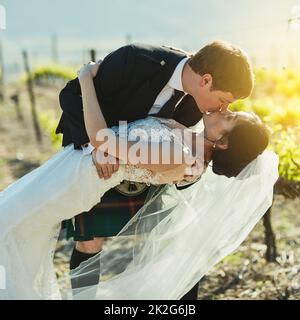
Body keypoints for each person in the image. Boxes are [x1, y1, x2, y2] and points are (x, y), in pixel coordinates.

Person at [0, 61, 276, 299]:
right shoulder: (189, 139)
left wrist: (85, 80)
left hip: (76, 180)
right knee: (17, 233)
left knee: (9, 223)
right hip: (74, 170)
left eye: (231, 117)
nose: (225, 110)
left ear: (225, 143)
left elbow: (101, 139)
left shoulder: (179, 156)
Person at [57, 41, 254, 299]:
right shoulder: (136, 59)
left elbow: (171, 134)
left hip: (145, 164)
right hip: (97, 160)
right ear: (206, 80)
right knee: (89, 241)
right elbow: (70, 95)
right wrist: (92, 146)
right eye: (224, 100)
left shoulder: (200, 101)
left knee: (178, 240)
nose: (222, 108)